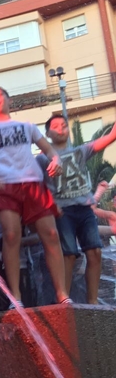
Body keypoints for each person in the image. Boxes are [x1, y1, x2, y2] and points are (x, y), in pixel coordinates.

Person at [0, 86, 71, 307]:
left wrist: (56, 160)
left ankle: (62, 293)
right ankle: (15, 297)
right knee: (11, 236)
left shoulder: (27, 126)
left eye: (1, 95)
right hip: (5, 184)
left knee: (51, 233)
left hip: (32, 182)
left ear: (10, 101)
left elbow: (49, 150)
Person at [39, 115, 116, 304]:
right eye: (55, 126)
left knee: (95, 252)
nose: (61, 129)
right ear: (48, 133)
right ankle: (63, 298)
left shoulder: (82, 151)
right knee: (69, 254)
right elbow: (37, 185)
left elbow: (109, 137)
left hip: (84, 209)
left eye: (64, 125)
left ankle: (92, 301)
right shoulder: (42, 159)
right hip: (63, 211)